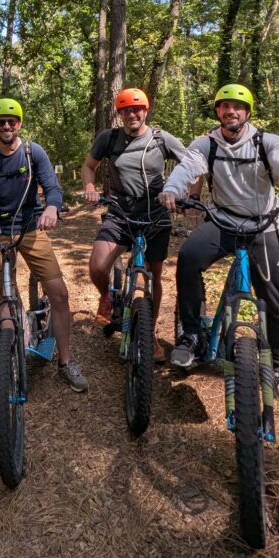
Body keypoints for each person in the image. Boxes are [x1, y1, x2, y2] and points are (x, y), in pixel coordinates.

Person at [158, 84, 279, 406]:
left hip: (264, 226)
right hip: (223, 223)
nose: (231, 112)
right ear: (217, 112)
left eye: (238, 107)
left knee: (274, 300)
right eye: (224, 106)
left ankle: (277, 370)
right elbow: (186, 169)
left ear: (248, 112)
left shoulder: (267, 143)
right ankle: (191, 337)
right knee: (187, 257)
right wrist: (172, 189)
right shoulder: (206, 144)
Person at [0, 97, 88, 392]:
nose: (7, 125)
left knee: (59, 294)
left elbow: (52, 188)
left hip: (32, 228)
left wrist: (52, 208)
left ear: (19, 123)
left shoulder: (33, 153)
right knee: (5, 298)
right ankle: (8, 356)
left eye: (12, 121)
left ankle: (66, 362)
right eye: (1, 121)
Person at [81, 87, 190, 362]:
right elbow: (88, 166)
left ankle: (149, 333)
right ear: (120, 114)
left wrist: (190, 194)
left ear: (146, 110)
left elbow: (191, 163)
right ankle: (106, 295)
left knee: (153, 274)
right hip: (119, 213)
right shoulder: (109, 138)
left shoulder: (161, 139)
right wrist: (90, 186)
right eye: (126, 109)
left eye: (137, 108)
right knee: (97, 265)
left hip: (155, 215)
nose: (132, 114)